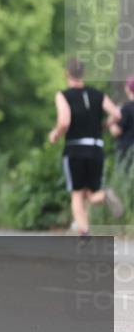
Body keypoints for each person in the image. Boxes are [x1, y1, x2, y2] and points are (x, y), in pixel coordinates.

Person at [48, 59, 125, 236]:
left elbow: (64, 121)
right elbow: (116, 114)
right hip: (96, 148)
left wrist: (55, 134)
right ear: (83, 74)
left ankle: (84, 232)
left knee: (76, 194)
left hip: (75, 148)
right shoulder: (98, 94)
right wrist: (104, 125)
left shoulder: (63, 95)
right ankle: (104, 195)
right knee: (92, 194)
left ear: (67, 74)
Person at [111, 75, 134, 175]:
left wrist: (111, 123)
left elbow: (117, 131)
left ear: (128, 89)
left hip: (126, 151)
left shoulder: (125, 108)